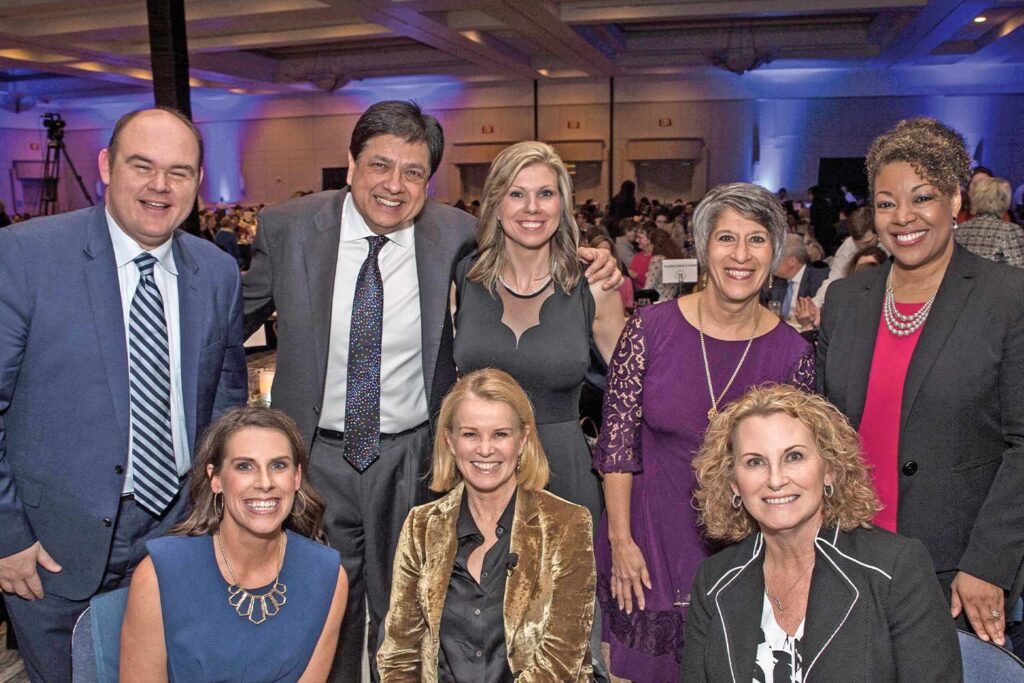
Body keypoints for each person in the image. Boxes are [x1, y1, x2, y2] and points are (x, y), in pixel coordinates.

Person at [242, 101, 617, 680]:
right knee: (321, 606)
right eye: (380, 165)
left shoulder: (454, 235)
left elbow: (532, 248)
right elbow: (223, 329)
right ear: (350, 163)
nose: (395, 186)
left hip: (415, 456)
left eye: (413, 172)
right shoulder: (287, 228)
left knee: (414, 613)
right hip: (314, 455)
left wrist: (596, 260)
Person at [0, 107, 247, 682]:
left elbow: (224, 405)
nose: (161, 186)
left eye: (179, 172)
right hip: (50, 548)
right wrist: (7, 536)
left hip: (177, 534)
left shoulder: (215, 271)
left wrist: (218, 516)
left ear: (197, 182)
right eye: (143, 166)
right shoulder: (25, 256)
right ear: (107, 165)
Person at [594, 182, 815, 682]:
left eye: (757, 240)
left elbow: (797, 472)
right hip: (647, 537)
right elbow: (616, 447)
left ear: (775, 253)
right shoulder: (648, 330)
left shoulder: (794, 356)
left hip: (744, 548)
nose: (741, 255)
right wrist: (621, 539)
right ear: (701, 247)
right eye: (726, 238)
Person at [818, 117, 1024, 648]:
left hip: (957, 571)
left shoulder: (1007, 297)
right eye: (886, 203)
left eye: (922, 198)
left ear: (956, 201)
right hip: (849, 554)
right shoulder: (846, 300)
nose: (903, 217)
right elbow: (824, 431)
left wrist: (989, 563)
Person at [683, 384, 961, 681]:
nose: (776, 479)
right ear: (734, 483)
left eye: (794, 457)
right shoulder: (714, 581)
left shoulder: (895, 569)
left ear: (829, 470)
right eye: (755, 462)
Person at [377, 368, 596, 681]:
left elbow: (560, 664)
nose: (484, 449)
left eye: (500, 434)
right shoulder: (421, 527)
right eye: (470, 434)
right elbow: (399, 655)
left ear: (523, 439)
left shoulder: (566, 525)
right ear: (450, 442)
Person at [454, 140, 624, 525]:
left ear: (562, 206)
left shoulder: (595, 286)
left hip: (564, 476)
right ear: (496, 204)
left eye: (545, 194)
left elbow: (634, 396)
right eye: (517, 194)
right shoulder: (464, 278)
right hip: (480, 473)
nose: (532, 207)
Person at [120, 407, 348, 682]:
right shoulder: (160, 574)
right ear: (215, 479)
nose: (265, 483)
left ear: (296, 477)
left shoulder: (327, 576)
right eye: (244, 466)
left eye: (278, 465)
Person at [956, 176, 1024, 268]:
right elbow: (1020, 271)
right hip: (997, 281)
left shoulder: (959, 230)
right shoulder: (1010, 231)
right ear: (1005, 200)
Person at [769, 233, 828, 321]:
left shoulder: (819, 279)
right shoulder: (776, 281)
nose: (771, 263)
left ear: (792, 261)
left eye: (776, 259)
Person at [642, 225, 686, 302]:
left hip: (658, 302)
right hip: (674, 301)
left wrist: (641, 302)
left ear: (653, 244)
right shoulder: (676, 258)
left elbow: (649, 285)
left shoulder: (657, 260)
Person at [590, 234, 634, 309]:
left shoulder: (625, 282)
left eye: (607, 251)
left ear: (613, 255)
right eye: (599, 251)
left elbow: (629, 309)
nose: (603, 255)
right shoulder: (586, 283)